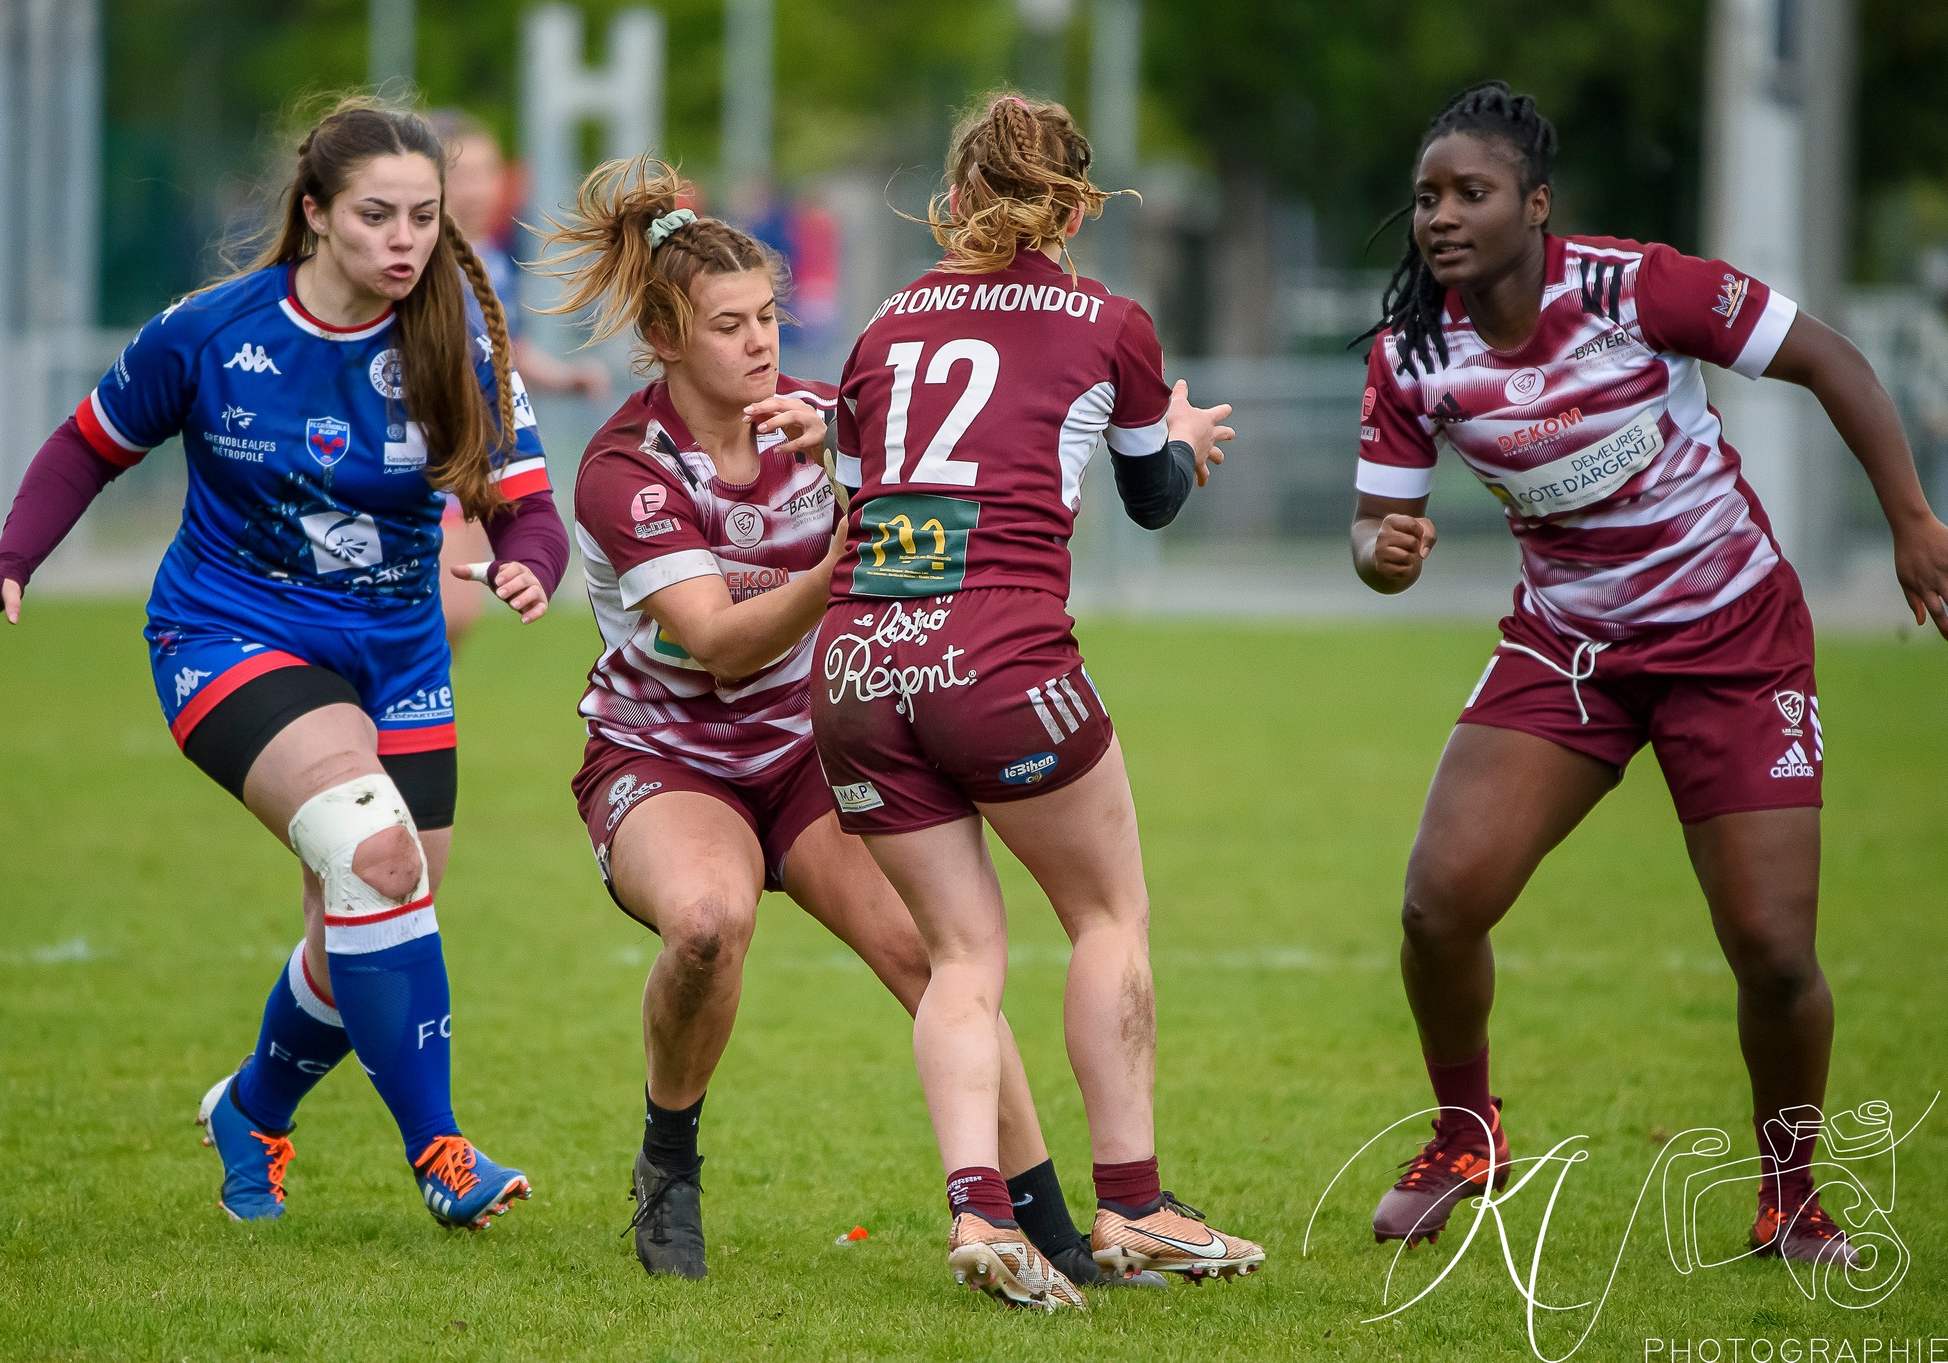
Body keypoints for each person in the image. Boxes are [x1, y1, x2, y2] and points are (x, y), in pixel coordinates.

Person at [0, 97, 572, 1230]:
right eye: (377, 215)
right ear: (315, 213)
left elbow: (524, 503)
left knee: (368, 912)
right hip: (228, 636)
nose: (405, 240)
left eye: (423, 217)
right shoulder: (210, 330)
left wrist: (530, 561)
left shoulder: (454, 341)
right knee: (375, 853)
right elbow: (88, 445)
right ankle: (439, 1149)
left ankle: (253, 1107)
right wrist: (10, 560)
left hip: (397, 650)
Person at [538, 155, 1155, 1302]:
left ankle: (1054, 1231)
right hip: (666, 757)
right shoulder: (627, 469)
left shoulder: (825, 418)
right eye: (727, 326)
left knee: (933, 956)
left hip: (812, 752)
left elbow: (965, 483)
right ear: (666, 340)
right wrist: (844, 561)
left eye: (768, 316)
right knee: (708, 925)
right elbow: (719, 643)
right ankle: (668, 1160)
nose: (760, 343)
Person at [1349, 82, 1948, 1262]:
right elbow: (1375, 538)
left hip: (1732, 644)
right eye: (1426, 197)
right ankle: (1467, 1135)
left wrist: (1911, 522)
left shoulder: (1636, 287)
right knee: (1437, 903)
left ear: (1536, 204)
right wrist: (1386, 554)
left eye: (1470, 192)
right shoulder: (1412, 353)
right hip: (1568, 653)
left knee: (1772, 951)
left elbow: (1825, 359)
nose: (1440, 217)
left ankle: (1789, 1199)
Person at [809, 91, 1265, 1307]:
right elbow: (1152, 496)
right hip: (1000, 655)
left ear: (952, 201)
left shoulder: (883, 323)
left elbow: (864, 514)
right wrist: (1182, 437)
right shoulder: (1109, 321)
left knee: (961, 953)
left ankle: (979, 1213)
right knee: (1107, 910)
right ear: (1074, 207)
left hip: (857, 663)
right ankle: (1133, 1204)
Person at [429, 109, 610, 646]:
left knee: (450, 622)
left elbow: (504, 352)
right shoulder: (413, 266)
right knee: (445, 616)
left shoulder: (490, 263)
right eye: (464, 175)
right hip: (423, 459)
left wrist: (565, 378)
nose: (481, 189)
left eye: (489, 173)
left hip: (475, 456)